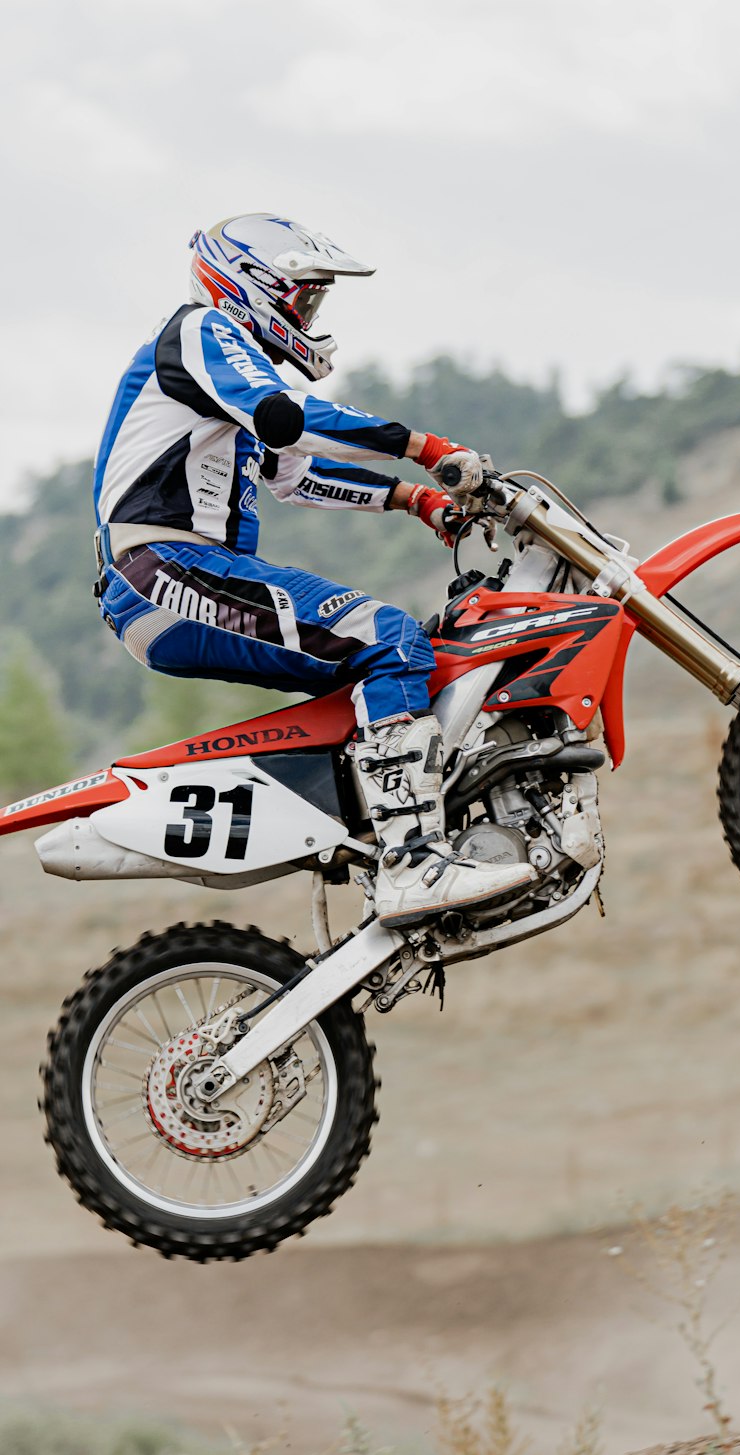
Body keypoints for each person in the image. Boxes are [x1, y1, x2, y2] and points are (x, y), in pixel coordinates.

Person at [93, 213, 533, 927]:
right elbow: (284, 418)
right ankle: (411, 859)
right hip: (164, 567)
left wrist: (414, 500)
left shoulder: (225, 378)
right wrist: (423, 448)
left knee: (392, 651)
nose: (310, 313)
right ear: (252, 287)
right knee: (390, 639)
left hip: (174, 573)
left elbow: (294, 474)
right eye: (305, 296)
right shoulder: (203, 331)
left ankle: (378, 819)